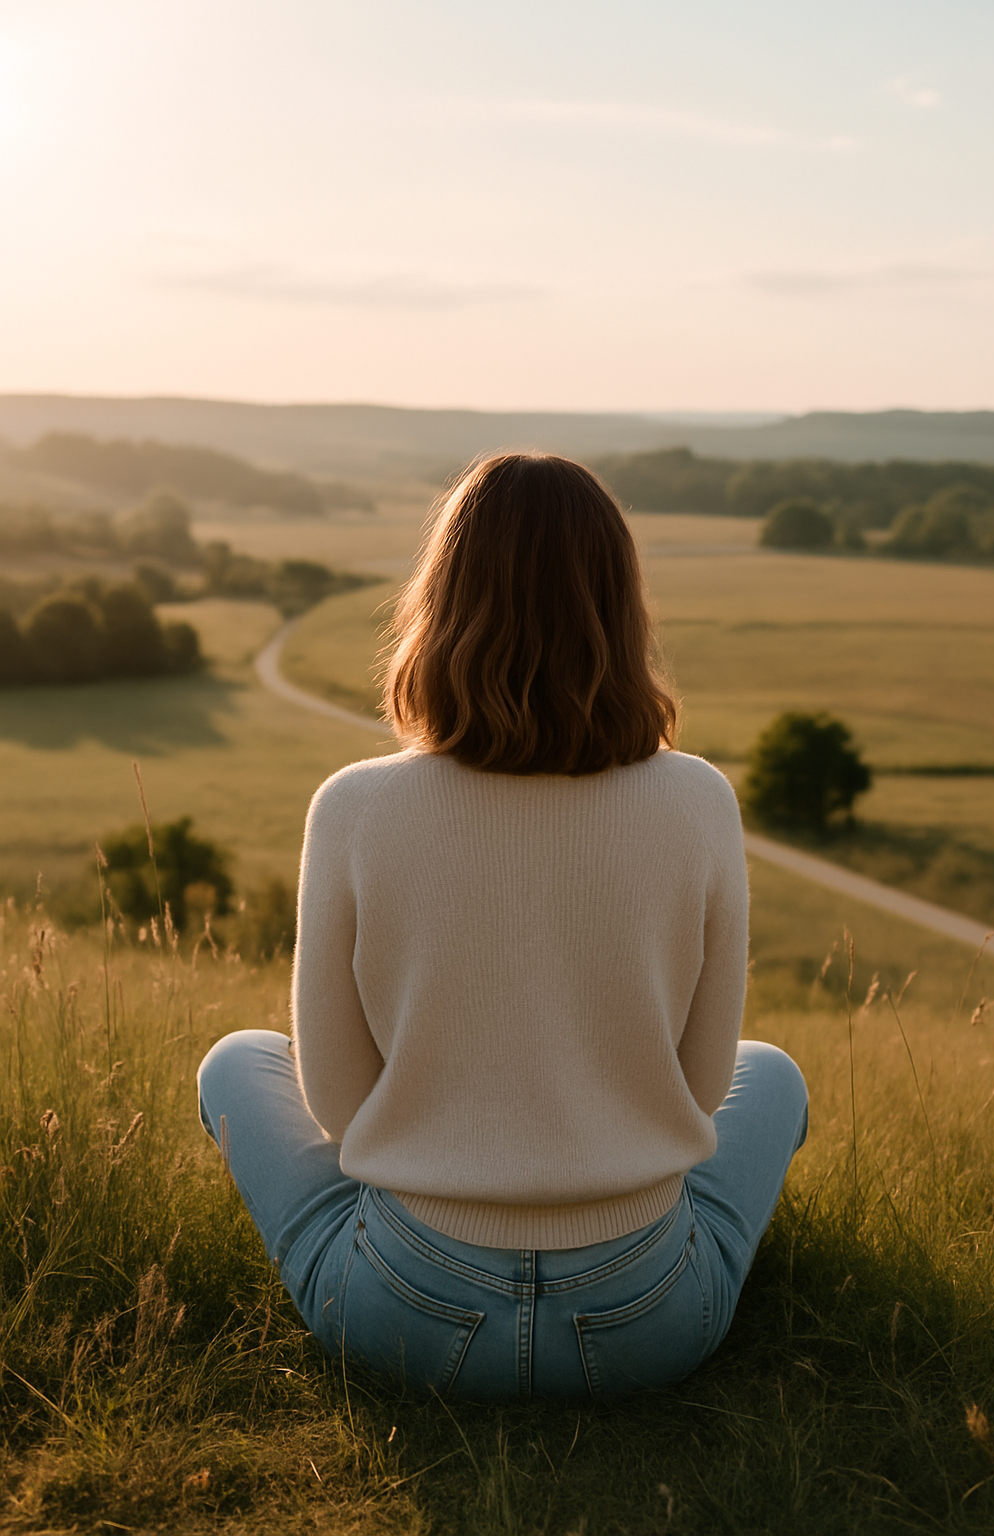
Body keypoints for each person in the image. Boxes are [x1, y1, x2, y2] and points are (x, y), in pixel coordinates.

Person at [197, 452, 807, 1401]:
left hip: (406, 1308)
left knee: (237, 1057)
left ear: (439, 606)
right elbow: (702, 1086)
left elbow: (341, 1109)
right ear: (619, 609)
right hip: (645, 1318)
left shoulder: (353, 807)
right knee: (774, 1075)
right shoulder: (699, 800)